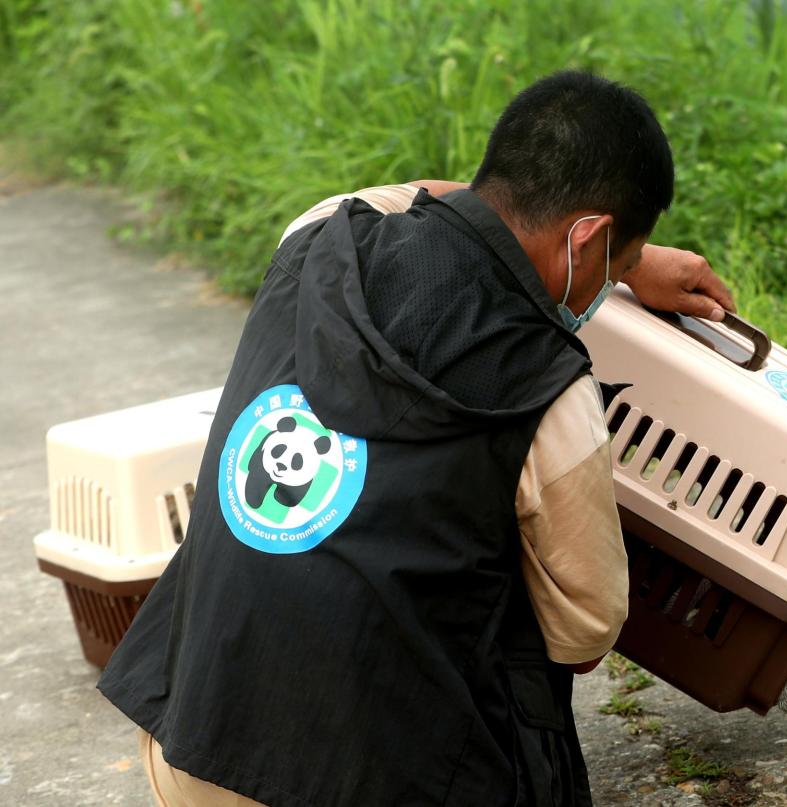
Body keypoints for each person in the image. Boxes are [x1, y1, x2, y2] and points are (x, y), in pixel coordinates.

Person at [98, 70, 734, 807]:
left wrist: (626, 259)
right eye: (618, 267)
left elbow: (424, 197)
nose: (617, 281)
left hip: (189, 747)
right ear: (585, 237)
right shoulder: (551, 390)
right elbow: (586, 632)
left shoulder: (319, 236)